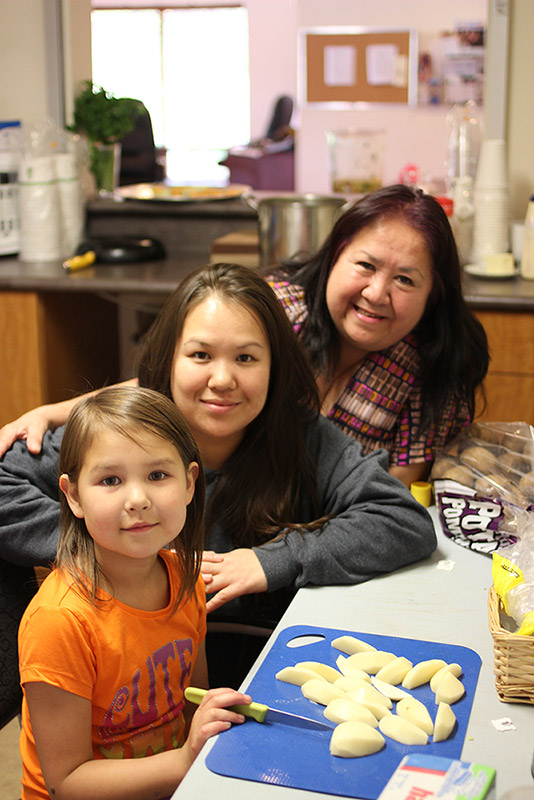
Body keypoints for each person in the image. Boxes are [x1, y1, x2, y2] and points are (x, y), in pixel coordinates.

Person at [1, 264, 435, 683]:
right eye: (201, 355)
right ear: (168, 360)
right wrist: (109, 540)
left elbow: (401, 519)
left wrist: (272, 560)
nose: (223, 379)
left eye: (245, 357)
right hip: (129, 675)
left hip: (271, 663)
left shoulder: (303, 437)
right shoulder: (123, 434)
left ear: (274, 367)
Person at [18, 386, 250, 800]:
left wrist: (205, 734)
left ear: (190, 483)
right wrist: (184, 762)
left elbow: (192, 701)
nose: (138, 499)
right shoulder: (58, 621)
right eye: (110, 480)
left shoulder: (185, 577)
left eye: (158, 475)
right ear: (73, 496)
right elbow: (65, 782)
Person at [266, 184, 489, 487]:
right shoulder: (269, 315)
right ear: (334, 256)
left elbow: (389, 503)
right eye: (365, 265)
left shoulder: (433, 375)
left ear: (433, 295)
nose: (376, 294)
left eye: (405, 280)